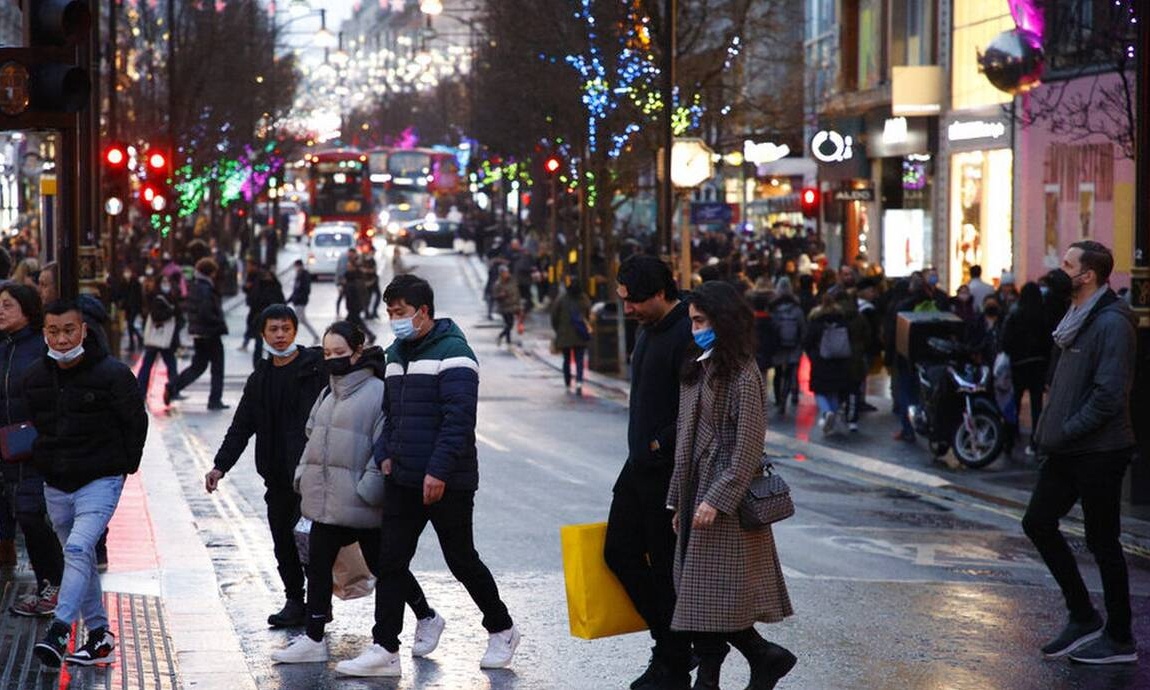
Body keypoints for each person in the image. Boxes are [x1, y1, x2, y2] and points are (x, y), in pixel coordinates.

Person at [357, 274, 518, 678]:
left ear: (423, 312)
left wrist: (438, 471)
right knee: (390, 561)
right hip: (403, 477)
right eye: (390, 312)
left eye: (401, 312)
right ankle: (384, 648)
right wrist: (385, 454)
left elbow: (459, 420)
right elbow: (391, 415)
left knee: (461, 559)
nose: (394, 320)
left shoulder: (455, 353)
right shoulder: (396, 355)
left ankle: (502, 627)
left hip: (449, 479)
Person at [272, 321, 441, 665]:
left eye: (340, 353)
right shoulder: (327, 392)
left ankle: (426, 616)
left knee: (386, 567)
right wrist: (302, 476)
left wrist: (368, 490)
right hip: (325, 500)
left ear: (358, 352)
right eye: (328, 352)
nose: (333, 359)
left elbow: (385, 444)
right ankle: (314, 637)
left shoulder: (379, 392)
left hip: (362, 503)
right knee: (318, 565)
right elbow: (313, 439)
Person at [668, 281, 795, 690]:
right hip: (695, 494)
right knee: (702, 600)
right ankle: (758, 660)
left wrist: (716, 500)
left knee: (708, 600)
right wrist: (677, 502)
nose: (694, 329)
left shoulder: (743, 372)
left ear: (723, 321)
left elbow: (748, 446)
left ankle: (741, 667)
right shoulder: (697, 365)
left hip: (726, 501)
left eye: (701, 321)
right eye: (691, 321)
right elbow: (684, 443)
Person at [1024, 241, 1138, 665]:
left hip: (1100, 450)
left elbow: (1109, 395)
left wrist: (1063, 432)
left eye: (1068, 264)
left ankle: (1121, 637)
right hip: (1069, 449)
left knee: (1103, 541)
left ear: (1087, 275)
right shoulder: (1076, 317)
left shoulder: (1111, 322)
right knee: (1037, 522)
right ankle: (1083, 615)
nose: (1060, 269)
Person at [26, 299, 147, 668]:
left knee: (78, 551)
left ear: (83, 331)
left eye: (68, 330)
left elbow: (135, 423)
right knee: (81, 558)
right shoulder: (34, 377)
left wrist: (122, 467)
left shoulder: (113, 374)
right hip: (56, 482)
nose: (61, 339)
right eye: (53, 331)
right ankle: (99, 636)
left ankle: (60, 630)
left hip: (101, 478)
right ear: (44, 333)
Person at [205, 304, 327, 628]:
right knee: (283, 542)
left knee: (313, 544)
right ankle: (294, 600)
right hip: (275, 477)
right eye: (273, 329)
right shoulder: (260, 378)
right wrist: (220, 466)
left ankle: (318, 604)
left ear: (295, 330)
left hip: (311, 475)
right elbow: (242, 425)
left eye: (286, 328)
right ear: (263, 335)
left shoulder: (316, 369)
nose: (280, 335)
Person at [603, 255, 693, 689]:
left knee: (662, 566)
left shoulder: (687, 331)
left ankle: (672, 658)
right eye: (622, 300)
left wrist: (662, 443)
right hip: (637, 466)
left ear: (660, 293)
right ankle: (672, 646)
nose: (628, 309)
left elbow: (700, 406)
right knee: (617, 552)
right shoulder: (648, 329)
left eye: (634, 301)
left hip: (665, 470)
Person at [0, 285, 64, 617]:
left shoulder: (40, 346)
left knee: (30, 515)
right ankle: (51, 587)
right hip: (7, 449)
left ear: (26, 309)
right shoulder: (4, 346)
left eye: (7, 305)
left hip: (32, 446)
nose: (0, 311)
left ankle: (53, 586)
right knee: (22, 514)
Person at [167, 258, 229, 410]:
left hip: (199, 333)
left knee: (198, 366)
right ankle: (215, 400)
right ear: (210, 272)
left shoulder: (194, 286)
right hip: (211, 333)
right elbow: (205, 312)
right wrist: (219, 322)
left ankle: (173, 386)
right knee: (217, 368)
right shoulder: (206, 288)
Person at [1001, 283, 1051, 455]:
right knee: (1037, 405)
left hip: (1018, 365)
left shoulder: (1015, 314)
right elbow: (1049, 342)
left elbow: (1006, 341)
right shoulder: (1043, 315)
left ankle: (1009, 439)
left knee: (1014, 402)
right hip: (1038, 365)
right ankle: (1035, 440)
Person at [804, 292, 854, 436]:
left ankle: (826, 412)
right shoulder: (842, 320)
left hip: (821, 360)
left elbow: (807, 342)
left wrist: (812, 356)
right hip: (840, 361)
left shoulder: (816, 321)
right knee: (834, 390)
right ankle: (832, 414)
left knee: (819, 390)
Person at [136, 275, 182, 398]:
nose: (166, 284)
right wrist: (171, 312)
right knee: (158, 365)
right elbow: (156, 316)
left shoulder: (170, 297)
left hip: (164, 339)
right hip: (160, 338)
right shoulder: (157, 298)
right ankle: (172, 389)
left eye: (168, 281)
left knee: (167, 364)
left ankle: (173, 389)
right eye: (164, 281)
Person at [768, 277, 805, 418]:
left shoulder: (773, 306)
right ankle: (785, 398)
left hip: (778, 345)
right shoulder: (796, 306)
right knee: (789, 373)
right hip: (793, 344)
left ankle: (778, 400)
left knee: (778, 372)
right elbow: (802, 327)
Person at [550, 278, 592, 395]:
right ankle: (579, 382)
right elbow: (588, 315)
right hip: (580, 334)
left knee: (566, 360)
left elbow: (554, 316)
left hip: (564, 334)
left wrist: (558, 329)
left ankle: (567, 382)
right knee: (579, 359)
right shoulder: (584, 298)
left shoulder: (562, 298)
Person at [287, 259, 320, 343]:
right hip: (298, 301)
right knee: (303, 321)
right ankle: (316, 336)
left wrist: (298, 297)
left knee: (295, 321)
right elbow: (295, 290)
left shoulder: (304, 275)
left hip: (301, 302)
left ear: (300, 266)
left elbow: (305, 289)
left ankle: (289, 339)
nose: (296, 268)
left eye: (296, 266)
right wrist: (289, 300)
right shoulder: (299, 275)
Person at [492, 265, 520, 347]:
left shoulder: (512, 281)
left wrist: (519, 305)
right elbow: (495, 296)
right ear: (501, 274)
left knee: (509, 324)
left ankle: (508, 340)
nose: (506, 274)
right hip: (504, 307)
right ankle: (502, 337)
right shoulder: (498, 284)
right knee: (509, 324)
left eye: (507, 272)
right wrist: (501, 295)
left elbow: (517, 292)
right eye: (504, 273)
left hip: (513, 306)